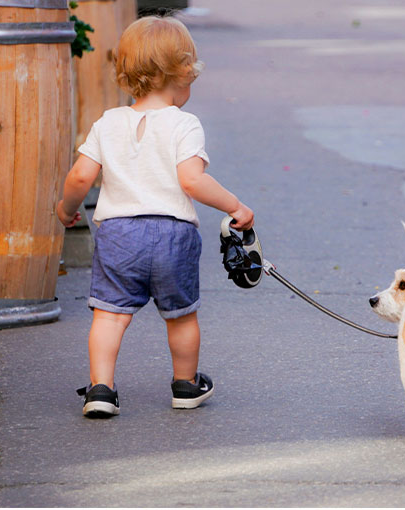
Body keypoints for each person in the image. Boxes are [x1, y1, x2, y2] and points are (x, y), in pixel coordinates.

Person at [57, 16, 254, 418]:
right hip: (172, 234)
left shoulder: (108, 122)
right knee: (181, 317)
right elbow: (192, 181)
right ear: (182, 74)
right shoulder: (185, 124)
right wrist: (235, 206)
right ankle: (185, 384)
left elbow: (80, 175)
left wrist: (66, 209)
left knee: (110, 316)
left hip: (117, 234)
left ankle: (101, 389)